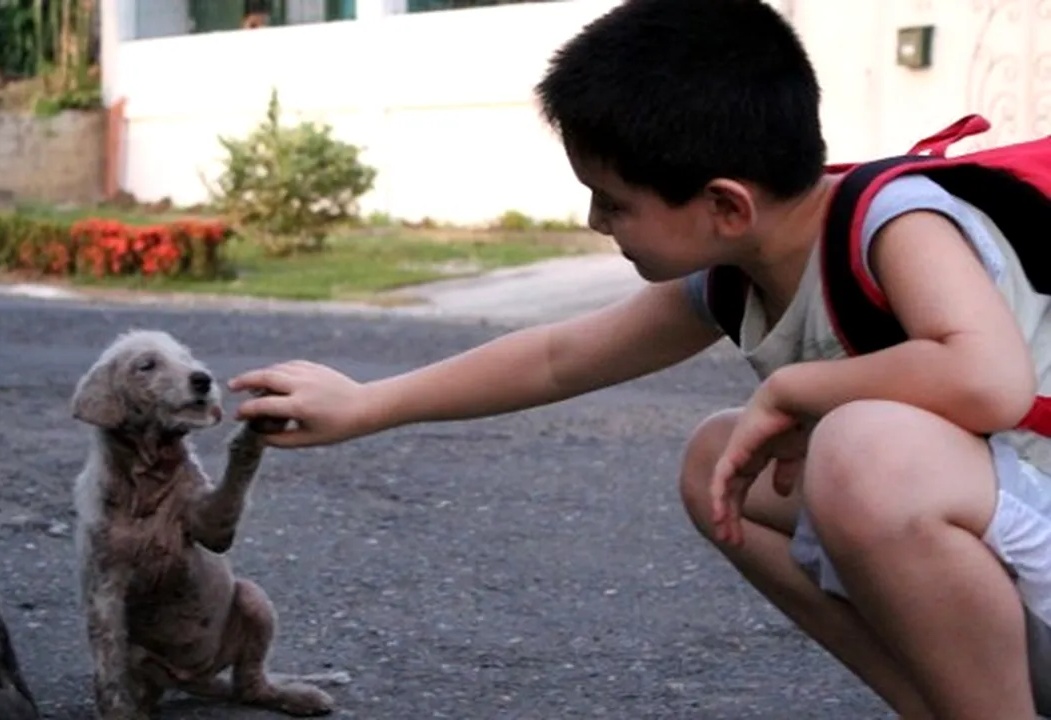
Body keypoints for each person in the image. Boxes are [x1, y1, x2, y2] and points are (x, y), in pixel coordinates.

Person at [227, 0, 1051, 716]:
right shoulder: (737, 272)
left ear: (726, 205)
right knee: (713, 461)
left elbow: (989, 380)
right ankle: (945, 706)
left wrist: (801, 389)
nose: (596, 221)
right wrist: (369, 403)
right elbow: (559, 356)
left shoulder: (895, 222)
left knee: (859, 449)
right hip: (1006, 576)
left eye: (614, 201)